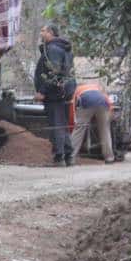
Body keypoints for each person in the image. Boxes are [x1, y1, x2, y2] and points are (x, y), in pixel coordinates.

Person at [33, 25, 76, 166]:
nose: (41, 33)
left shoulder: (53, 49)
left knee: (56, 124)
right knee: (62, 124)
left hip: (55, 93)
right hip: (64, 92)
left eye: (43, 30)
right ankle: (68, 155)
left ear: (51, 33)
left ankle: (59, 157)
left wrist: (42, 91)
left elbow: (54, 73)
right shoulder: (64, 49)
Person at [70, 78, 116, 162]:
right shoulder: (97, 87)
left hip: (86, 102)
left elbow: (73, 106)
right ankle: (109, 158)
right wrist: (110, 112)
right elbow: (107, 99)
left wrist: (73, 122)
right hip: (103, 103)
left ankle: (71, 157)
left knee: (79, 129)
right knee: (105, 130)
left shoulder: (77, 89)